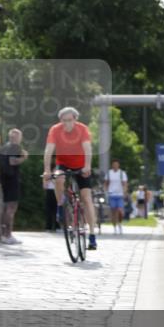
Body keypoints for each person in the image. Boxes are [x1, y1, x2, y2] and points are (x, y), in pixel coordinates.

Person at [43, 107, 99, 250]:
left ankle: (92, 235)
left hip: (81, 165)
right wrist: (47, 170)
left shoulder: (82, 129)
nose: (67, 123)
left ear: (75, 119)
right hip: (63, 163)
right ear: (60, 120)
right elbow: (48, 150)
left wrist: (87, 166)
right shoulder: (55, 130)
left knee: (86, 198)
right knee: (58, 178)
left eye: (69, 120)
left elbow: (87, 149)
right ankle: (61, 205)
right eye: (64, 121)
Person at [0, 128, 28, 245]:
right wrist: (24, 158)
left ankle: (4, 234)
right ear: (17, 138)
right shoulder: (15, 147)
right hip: (12, 180)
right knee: (11, 208)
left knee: (6, 207)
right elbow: (13, 161)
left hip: (4, 179)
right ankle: (7, 235)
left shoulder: (4, 147)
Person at [105, 159, 128, 234]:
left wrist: (124, 192)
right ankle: (114, 227)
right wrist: (106, 192)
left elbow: (125, 184)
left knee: (120, 211)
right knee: (113, 212)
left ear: (118, 165)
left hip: (120, 194)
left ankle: (120, 224)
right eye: (114, 164)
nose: (115, 165)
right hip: (111, 194)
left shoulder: (122, 173)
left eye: (116, 164)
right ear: (112, 165)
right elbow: (106, 183)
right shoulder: (109, 173)